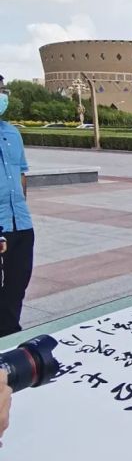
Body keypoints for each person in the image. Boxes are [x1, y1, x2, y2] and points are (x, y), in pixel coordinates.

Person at [0, 80, 35, 336]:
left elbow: (22, 172)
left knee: (16, 284)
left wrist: (22, 203)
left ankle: (9, 336)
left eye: (2, 92)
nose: (2, 97)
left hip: (20, 223)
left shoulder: (12, 132)